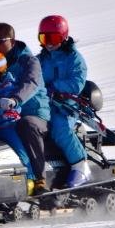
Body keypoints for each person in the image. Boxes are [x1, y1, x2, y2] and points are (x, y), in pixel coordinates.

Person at [0, 23, 50, 195]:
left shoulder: (29, 61)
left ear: (12, 41)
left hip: (34, 111)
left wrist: (15, 99)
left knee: (26, 125)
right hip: (6, 115)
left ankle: (39, 180)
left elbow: (30, 83)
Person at [37, 15, 90, 188]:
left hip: (65, 105)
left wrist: (55, 87)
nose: (49, 43)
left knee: (60, 127)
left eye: (53, 38)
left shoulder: (74, 58)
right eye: (44, 38)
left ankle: (80, 165)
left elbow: (76, 83)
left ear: (63, 37)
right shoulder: (40, 59)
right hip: (43, 104)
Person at [0, 51, 36, 188]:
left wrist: (7, 104)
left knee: (18, 150)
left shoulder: (9, 86)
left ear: (0, 73)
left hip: (6, 125)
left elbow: (14, 104)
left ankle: (29, 178)